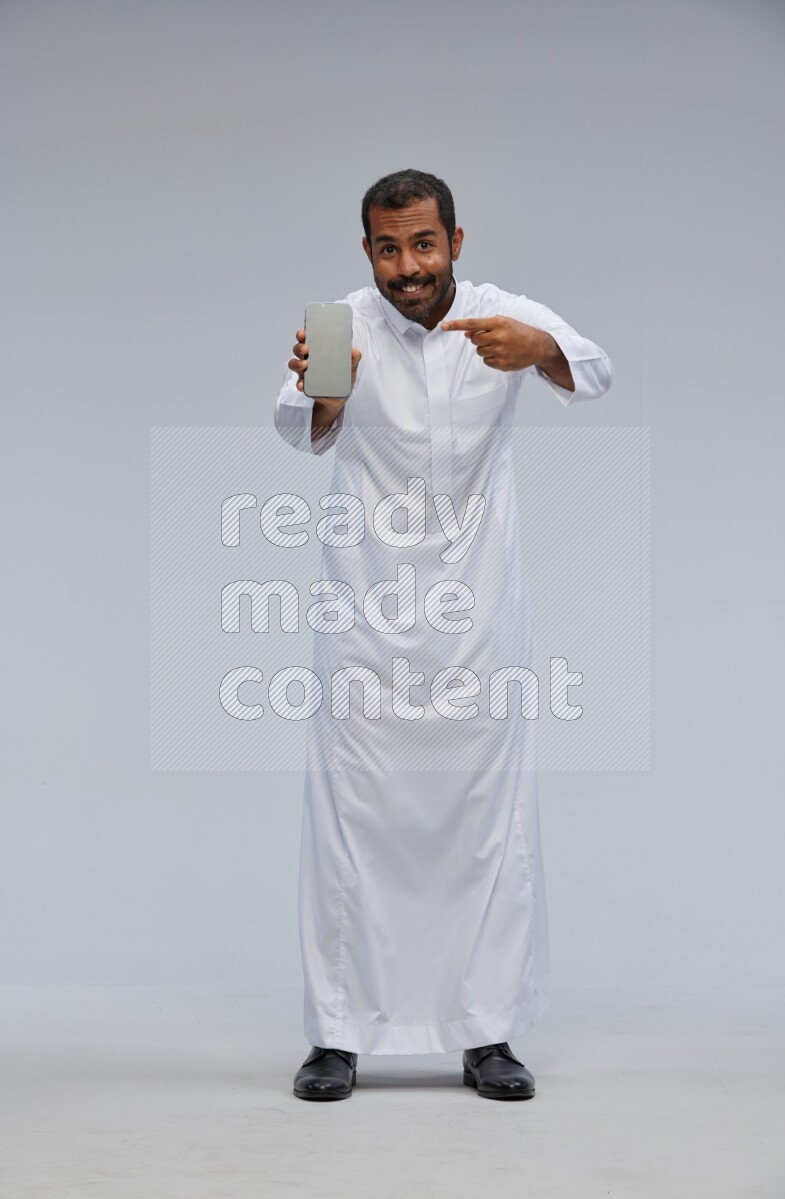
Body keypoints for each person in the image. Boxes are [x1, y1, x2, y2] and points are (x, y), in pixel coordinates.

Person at [273, 169, 613, 1101]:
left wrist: (540, 346)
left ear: (456, 243)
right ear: (369, 252)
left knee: (487, 829)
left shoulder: (501, 317)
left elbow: (596, 368)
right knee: (349, 827)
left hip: (479, 618)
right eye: (388, 247)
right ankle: (336, 1036)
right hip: (365, 619)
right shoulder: (341, 324)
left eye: (423, 244)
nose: (406, 266)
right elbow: (302, 426)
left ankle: (487, 1033)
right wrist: (323, 395)